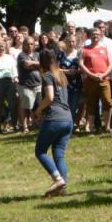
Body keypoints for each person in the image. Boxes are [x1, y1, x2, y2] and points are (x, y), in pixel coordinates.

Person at [33, 49, 73, 197]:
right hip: (67, 118)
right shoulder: (61, 75)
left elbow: (49, 97)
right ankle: (61, 189)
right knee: (59, 154)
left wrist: (38, 110)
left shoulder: (48, 75)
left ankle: (58, 180)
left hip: (54, 118)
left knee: (40, 151)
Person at [81, 27, 112, 133]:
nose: (95, 36)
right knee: (91, 103)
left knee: (108, 102)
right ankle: (90, 127)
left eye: (97, 34)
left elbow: (110, 64)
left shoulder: (105, 49)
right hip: (90, 80)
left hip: (104, 80)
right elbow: (81, 64)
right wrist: (91, 75)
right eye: (93, 34)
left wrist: (104, 74)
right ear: (90, 36)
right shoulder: (85, 49)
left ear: (101, 35)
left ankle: (107, 126)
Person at [17, 39, 42, 133]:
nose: (30, 46)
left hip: (38, 84)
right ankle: (25, 126)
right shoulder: (21, 55)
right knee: (26, 106)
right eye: (28, 44)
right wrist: (37, 65)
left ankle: (36, 123)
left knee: (39, 105)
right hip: (26, 85)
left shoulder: (37, 55)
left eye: (32, 44)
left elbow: (43, 65)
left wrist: (33, 64)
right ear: (24, 45)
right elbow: (26, 64)